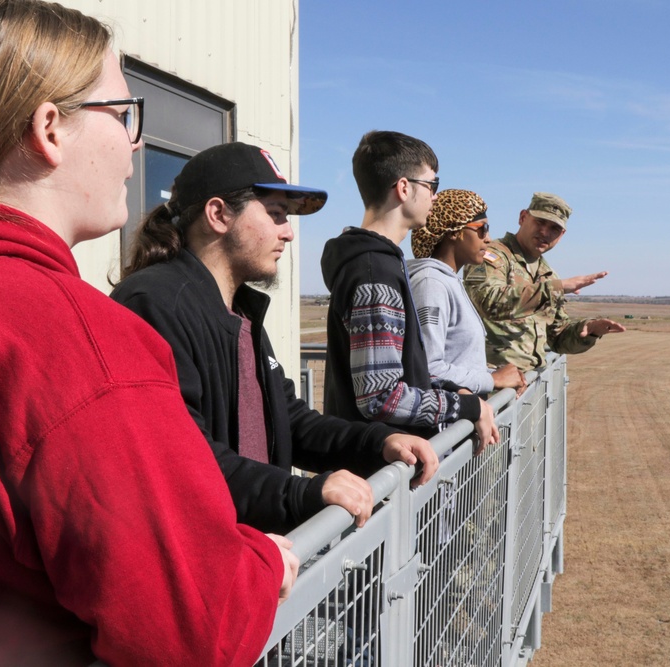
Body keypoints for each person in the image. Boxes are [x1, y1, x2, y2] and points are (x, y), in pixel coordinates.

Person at [0, 2, 294, 665]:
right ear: (50, 128)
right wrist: (261, 561)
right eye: (125, 115)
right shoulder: (68, 338)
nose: (136, 144)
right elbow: (194, 632)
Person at [111, 142, 438, 534]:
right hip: (195, 567)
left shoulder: (240, 310)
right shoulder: (155, 304)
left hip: (252, 560)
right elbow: (181, 459)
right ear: (218, 215)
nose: (288, 233)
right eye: (276, 214)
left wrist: (379, 442)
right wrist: (301, 494)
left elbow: (291, 422)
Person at [320, 131, 499, 450]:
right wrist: (470, 407)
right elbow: (380, 396)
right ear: (403, 188)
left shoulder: (380, 263)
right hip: (382, 475)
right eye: (432, 186)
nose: (434, 197)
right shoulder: (374, 272)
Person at [463, 192, 626, 371]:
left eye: (554, 228)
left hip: (528, 385)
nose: (544, 232)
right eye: (540, 222)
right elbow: (487, 302)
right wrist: (558, 287)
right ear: (523, 217)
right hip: (490, 384)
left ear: (561, 234)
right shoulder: (491, 255)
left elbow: (557, 338)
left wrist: (590, 329)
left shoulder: (548, 275)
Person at [407, 188, 527, 396]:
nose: (488, 239)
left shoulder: (448, 280)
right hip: (445, 424)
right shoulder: (431, 283)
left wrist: (498, 375)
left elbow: (456, 361)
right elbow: (428, 369)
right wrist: (492, 379)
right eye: (482, 229)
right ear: (455, 231)